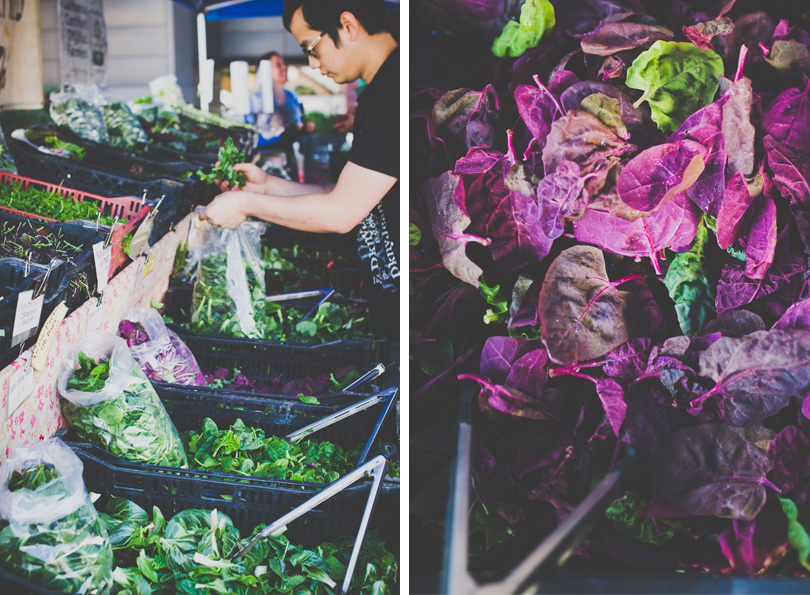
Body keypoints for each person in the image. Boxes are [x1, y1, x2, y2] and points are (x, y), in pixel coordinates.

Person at [198, 0, 400, 341]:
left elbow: (341, 213)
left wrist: (245, 205)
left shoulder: (395, 93)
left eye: (310, 46)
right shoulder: (377, 92)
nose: (311, 62)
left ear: (348, 26)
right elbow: (346, 195)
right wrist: (265, 186)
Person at [250, 51, 315, 180]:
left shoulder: (291, 97)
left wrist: (305, 130)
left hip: (290, 161)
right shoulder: (255, 99)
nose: (284, 68)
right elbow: (251, 137)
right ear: (265, 70)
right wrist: (281, 137)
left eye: (284, 64)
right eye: (278, 65)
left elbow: (299, 126)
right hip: (263, 164)